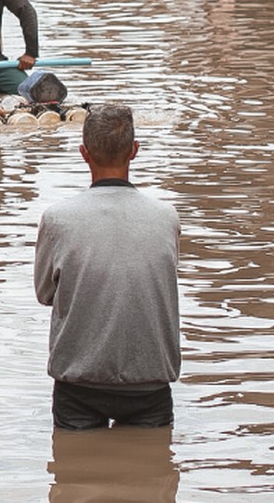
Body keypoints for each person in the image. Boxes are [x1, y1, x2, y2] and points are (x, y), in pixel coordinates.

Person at [33, 103, 181, 431]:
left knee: (73, 477)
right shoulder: (167, 217)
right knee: (151, 475)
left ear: (84, 153)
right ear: (135, 151)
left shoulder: (57, 219)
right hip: (150, 380)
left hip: (79, 381)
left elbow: (45, 294)